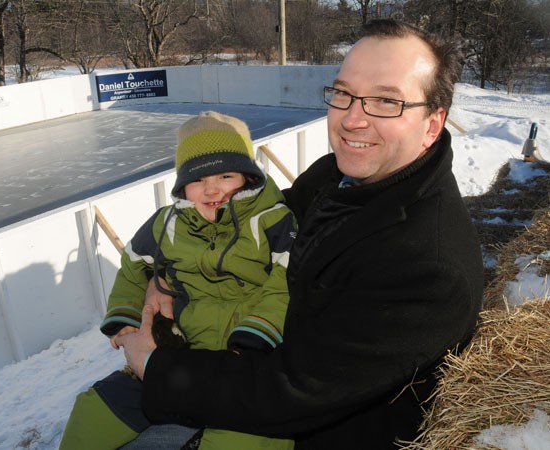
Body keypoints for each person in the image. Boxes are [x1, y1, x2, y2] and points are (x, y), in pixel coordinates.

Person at [116, 19, 484, 449]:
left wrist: (156, 365)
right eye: (344, 93)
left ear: (432, 125)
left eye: (386, 101)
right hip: (245, 368)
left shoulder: (427, 266)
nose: (352, 120)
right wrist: (163, 274)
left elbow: (291, 389)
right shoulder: (342, 175)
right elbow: (263, 223)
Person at [59, 111, 298, 450]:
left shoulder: (272, 219)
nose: (212, 189)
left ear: (247, 177)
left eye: (226, 175)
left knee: (243, 436)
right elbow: (132, 264)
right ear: (182, 185)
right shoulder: (167, 223)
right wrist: (126, 314)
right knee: (96, 409)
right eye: (199, 179)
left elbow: (288, 278)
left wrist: (261, 329)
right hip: (185, 350)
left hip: (249, 356)